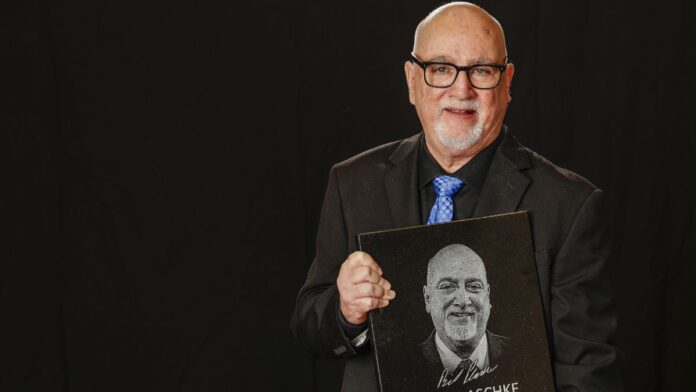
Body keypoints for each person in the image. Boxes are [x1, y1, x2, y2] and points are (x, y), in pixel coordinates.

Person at [291, 2, 621, 391]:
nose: (461, 89)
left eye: (482, 70)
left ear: (507, 81)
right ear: (412, 80)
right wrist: (346, 311)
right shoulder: (353, 184)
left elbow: (586, 372)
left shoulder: (569, 206)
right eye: (441, 69)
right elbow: (310, 326)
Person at [420, 244, 505, 374]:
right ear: (428, 298)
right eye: (448, 286)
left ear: (488, 295)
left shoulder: (522, 350)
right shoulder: (403, 365)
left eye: (474, 286)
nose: (463, 301)